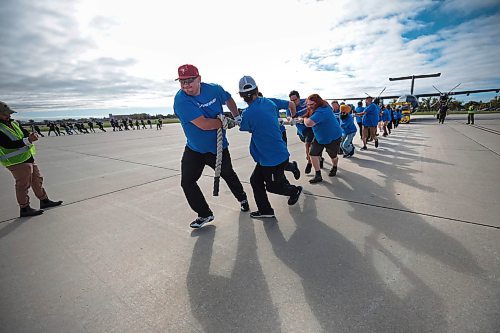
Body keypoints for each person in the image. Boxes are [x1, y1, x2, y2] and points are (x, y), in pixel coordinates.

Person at [173, 64, 249, 229]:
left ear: (199, 79)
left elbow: (228, 98)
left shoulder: (214, 90)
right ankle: (204, 213)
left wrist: (237, 116)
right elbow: (205, 124)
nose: (186, 85)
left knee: (228, 175)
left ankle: (243, 198)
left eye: (190, 81)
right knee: (187, 182)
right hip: (195, 149)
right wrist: (226, 122)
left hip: (218, 148)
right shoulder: (181, 101)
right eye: (182, 82)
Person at [238, 76, 302, 218]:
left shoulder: (247, 114)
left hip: (271, 158)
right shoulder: (269, 103)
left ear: (242, 96)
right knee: (255, 180)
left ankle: (294, 191)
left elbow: (244, 127)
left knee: (273, 186)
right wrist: (293, 116)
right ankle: (265, 210)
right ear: (257, 90)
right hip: (273, 154)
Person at [0, 101, 63, 217]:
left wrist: (31, 135)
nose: (9, 115)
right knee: (23, 185)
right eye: (5, 114)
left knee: (37, 180)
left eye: (9, 113)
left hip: (28, 157)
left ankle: (44, 201)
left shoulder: (13, 123)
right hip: (15, 161)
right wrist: (28, 140)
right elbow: (7, 144)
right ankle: (24, 208)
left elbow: (24, 133)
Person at [297, 94, 343, 184]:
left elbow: (309, 123)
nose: (309, 106)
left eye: (312, 104)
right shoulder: (315, 108)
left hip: (332, 137)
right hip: (320, 137)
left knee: (333, 156)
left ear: (318, 102)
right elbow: (308, 116)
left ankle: (334, 166)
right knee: (313, 154)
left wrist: (304, 119)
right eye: (308, 104)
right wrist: (301, 118)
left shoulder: (323, 110)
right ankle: (318, 175)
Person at [258, 92, 300, 180]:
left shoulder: (271, 101)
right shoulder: (252, 107)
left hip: (279, 134)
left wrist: (293, 117)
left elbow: (291, 104)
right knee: (274, 162)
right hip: (266, 137)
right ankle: (284, 184)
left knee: (282, 161)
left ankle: (292, 168)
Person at [288, 90, 324, 174]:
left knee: (309, 145)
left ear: (299, 98)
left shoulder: (306, 102)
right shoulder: (289, 107)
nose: (293, 102)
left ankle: (309, 162)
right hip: (301, 131)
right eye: (291, 100)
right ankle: (320, 159)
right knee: (312, 146)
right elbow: (288, 116)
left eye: (295, 100)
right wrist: (290, 119)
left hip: (311, 128)